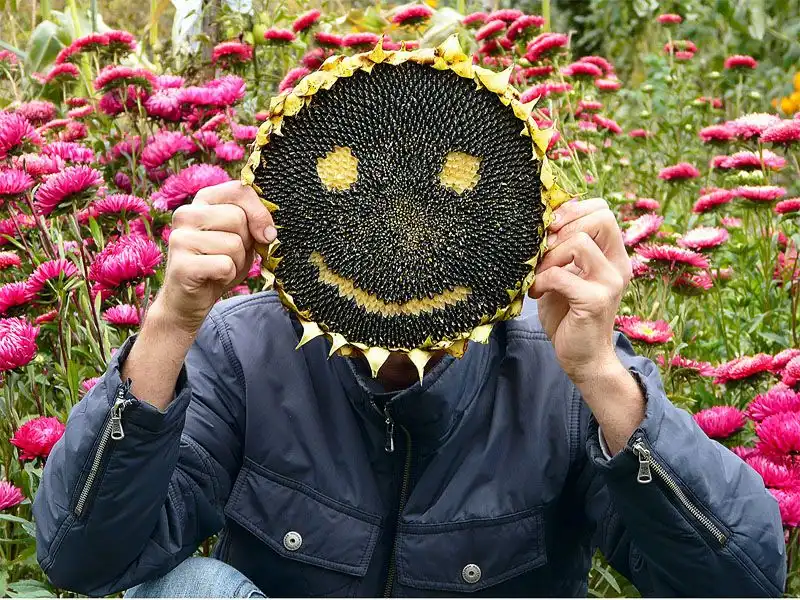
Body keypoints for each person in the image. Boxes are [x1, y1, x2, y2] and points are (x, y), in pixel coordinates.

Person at [34, 183, 786, 597]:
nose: (403, 239)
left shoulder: (558, 368)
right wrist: (169, 325)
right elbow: (83, 558)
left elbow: (743, 583)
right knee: (192, 589)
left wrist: (600, 375)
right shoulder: (244, 348)